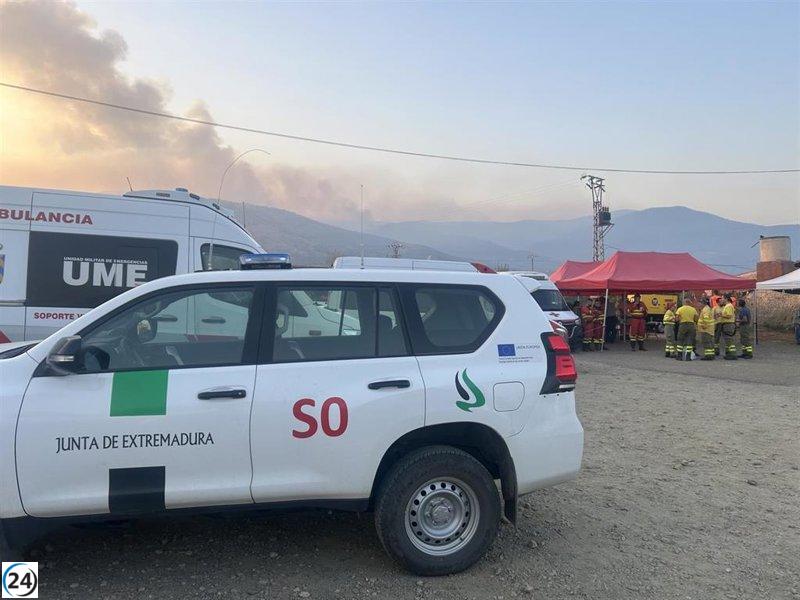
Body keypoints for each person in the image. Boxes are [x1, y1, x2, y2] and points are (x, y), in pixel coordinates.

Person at [719, 294, 737, 360]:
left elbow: (729, 315)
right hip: (726, 325)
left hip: (728, 325)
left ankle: (733, 354)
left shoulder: (728, 306)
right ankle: (730, 353)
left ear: (726, 299)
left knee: (729, 340)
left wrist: (721, 315)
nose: (721, 299)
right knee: (728, 340)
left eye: (722, 298)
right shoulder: (727, 306)